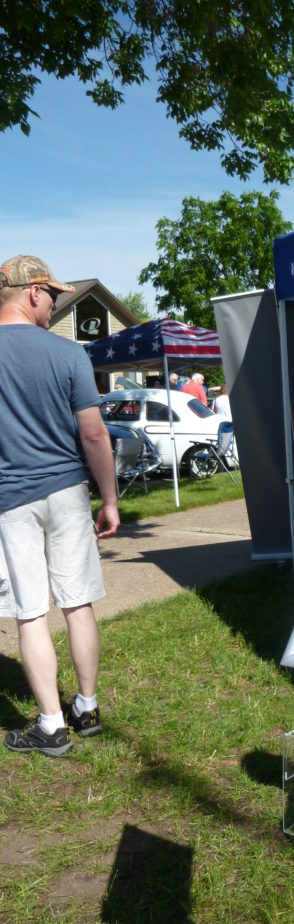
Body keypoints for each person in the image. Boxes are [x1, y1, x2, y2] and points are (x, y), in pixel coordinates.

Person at [0, 255, 120, 756]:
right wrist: (109, 499)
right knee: (77, 604)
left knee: (30, 612)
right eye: (51, 294)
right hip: (69, 493)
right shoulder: (69, 355)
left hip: (10, 500)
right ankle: (85, 707)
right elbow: (93, 433)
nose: (55, 303)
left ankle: (52, 724)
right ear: (30, 292)